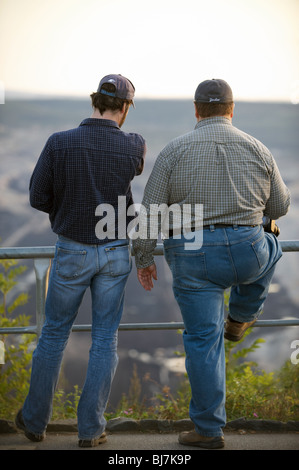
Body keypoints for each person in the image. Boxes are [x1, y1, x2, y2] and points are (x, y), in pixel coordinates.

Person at [133, 79, 290, 449]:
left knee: (203, 342)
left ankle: (207, 431)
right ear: (232, 110)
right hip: (246, 252)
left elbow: (151, 213)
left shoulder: (174, 151)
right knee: (272, 243)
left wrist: (143, 257)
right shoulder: (258, 148)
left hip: (193, 256)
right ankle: (242, 314)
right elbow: (279, 208)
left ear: (196, 109)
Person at [15, 74, 146, 447]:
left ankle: (35, 423)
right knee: (105, 340)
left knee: (53, 335)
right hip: (115, 251)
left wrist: (70, 209)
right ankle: (91, 430)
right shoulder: (134, 145)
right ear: (124, 108)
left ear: (94, 101)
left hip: (72, 250)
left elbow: (38, 198)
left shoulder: (59, 143)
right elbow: (129, 174)